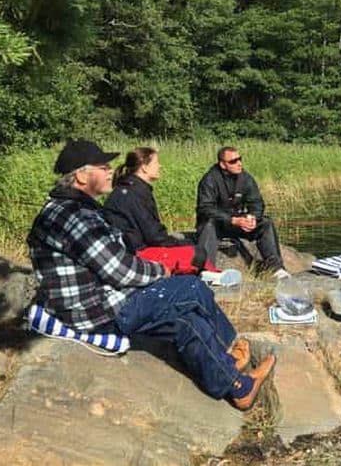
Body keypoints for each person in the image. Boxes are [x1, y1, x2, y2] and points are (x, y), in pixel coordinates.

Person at [27, 139, 274, 410]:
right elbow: (119, 270)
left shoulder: (64, 209)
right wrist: (160, 271)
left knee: (184, 322)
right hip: (101, 311)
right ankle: (234, 367)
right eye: (103, 166)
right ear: (82, 175)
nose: (111, 170)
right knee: (190, 287)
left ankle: (232, 375)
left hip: (94, 303)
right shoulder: (75, 218)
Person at [103, 147, 217, 275]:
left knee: (188, 244)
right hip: (136, 254)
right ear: (144, 168)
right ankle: (210, 275)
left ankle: (209, 273)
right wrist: (178, 243)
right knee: (197, 252)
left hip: (138, 247)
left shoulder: (133, 188)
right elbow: (154, 236)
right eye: (156, 163)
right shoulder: (132, 193)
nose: (160, 166)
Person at [196, 146, 289, 277]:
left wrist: (252, 218)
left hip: (237, 224)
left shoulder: (246, 178)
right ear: (223, 164)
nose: (239, 163)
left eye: (240, 159)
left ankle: (276, 269)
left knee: (266, 222)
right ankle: (206, 271)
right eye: (233, 161)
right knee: (208, 223)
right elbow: (205, 208)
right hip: (216, 225)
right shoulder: (209, 180)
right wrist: (232, 220)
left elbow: (257, 203)